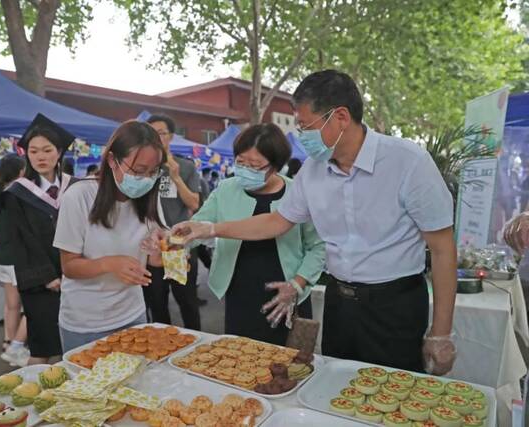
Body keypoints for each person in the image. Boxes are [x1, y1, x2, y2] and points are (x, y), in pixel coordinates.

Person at [174, 70, 458, 374]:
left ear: (341, 117)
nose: (300, 135)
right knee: (335, 391)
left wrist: (441, 333)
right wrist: (210, 228)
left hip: (394, 305)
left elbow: (442, 249)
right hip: (340, 304)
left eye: (306, 125)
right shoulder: (312, 171)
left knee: (393, 396)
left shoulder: (408, 162)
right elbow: (277, 221)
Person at [186, 124, 325, 345]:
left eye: (255, 165)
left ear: (277, 166)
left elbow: (318, 247)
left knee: (289, 368)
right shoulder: (225, 189)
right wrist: (174, 239)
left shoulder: (297, 194)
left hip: (287, 296)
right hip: (240, 293)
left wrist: (297, 284)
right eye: (240, 162)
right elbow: (197, 226)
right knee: (241, 363)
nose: (245, 170)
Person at [54, 121, 167, 352]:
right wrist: (109, 264)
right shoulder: (80, 196)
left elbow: (154, 259)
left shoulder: (149, 199)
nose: (145, 179)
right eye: (138, 171)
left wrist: (168, 254)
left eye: (153, 172)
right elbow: (69, 266)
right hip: (86, 323)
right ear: (112, 160)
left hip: (133, 315)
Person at [0, 114, 75, 365]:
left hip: (75, 275)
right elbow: (20, 239)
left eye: (47, 150)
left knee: (74, 343)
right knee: (42, 345)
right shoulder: (17, 193)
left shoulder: (74, 187)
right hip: (40, 281)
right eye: (33, 151)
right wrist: (48, 275)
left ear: (59, 152)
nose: (40, 156)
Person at [143, 114, 202, 330]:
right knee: (156, 302)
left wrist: (175, 176)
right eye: (150, 134)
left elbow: (194, 203)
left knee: (186, 300)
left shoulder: (185, 167)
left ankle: (196, 345)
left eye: (161, 133)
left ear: (171, 136)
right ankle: (162, 347)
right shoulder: (141, 168)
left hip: (177, 243)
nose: (156, 138)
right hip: (151, 246)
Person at [0, 154, 29, 367]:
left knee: (11, 305)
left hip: (2, 256)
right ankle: (16, 346)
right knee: (33, 303)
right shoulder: (19, 194)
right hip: (19, 257)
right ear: (20, 171)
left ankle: (9, 343)